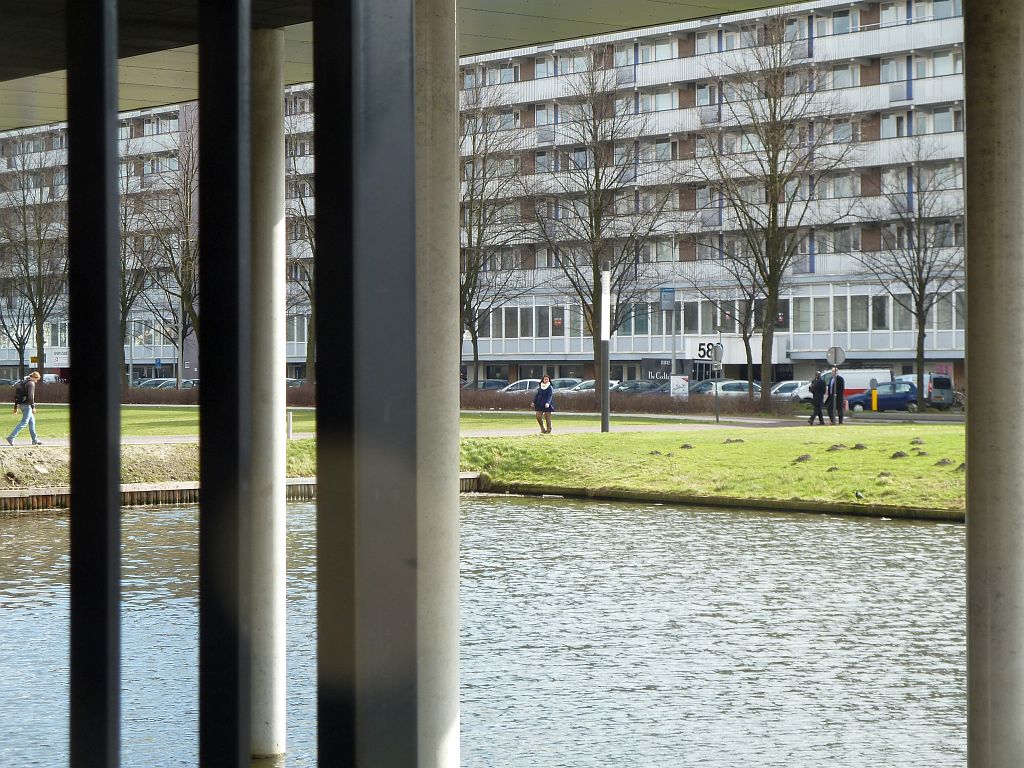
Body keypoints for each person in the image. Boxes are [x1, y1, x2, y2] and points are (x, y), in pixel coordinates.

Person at [7, 370, 42, 446]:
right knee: (24, 422)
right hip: (27, 405)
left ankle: (34, 440)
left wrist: (16, 406)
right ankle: (11, 437)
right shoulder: (31, 383)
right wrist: (33, 407)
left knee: (32, 421)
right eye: (36, 380)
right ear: (34, 377)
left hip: (22, 404)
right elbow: (30, 396)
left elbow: (17, 395)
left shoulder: (24, 382)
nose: (36, 382)